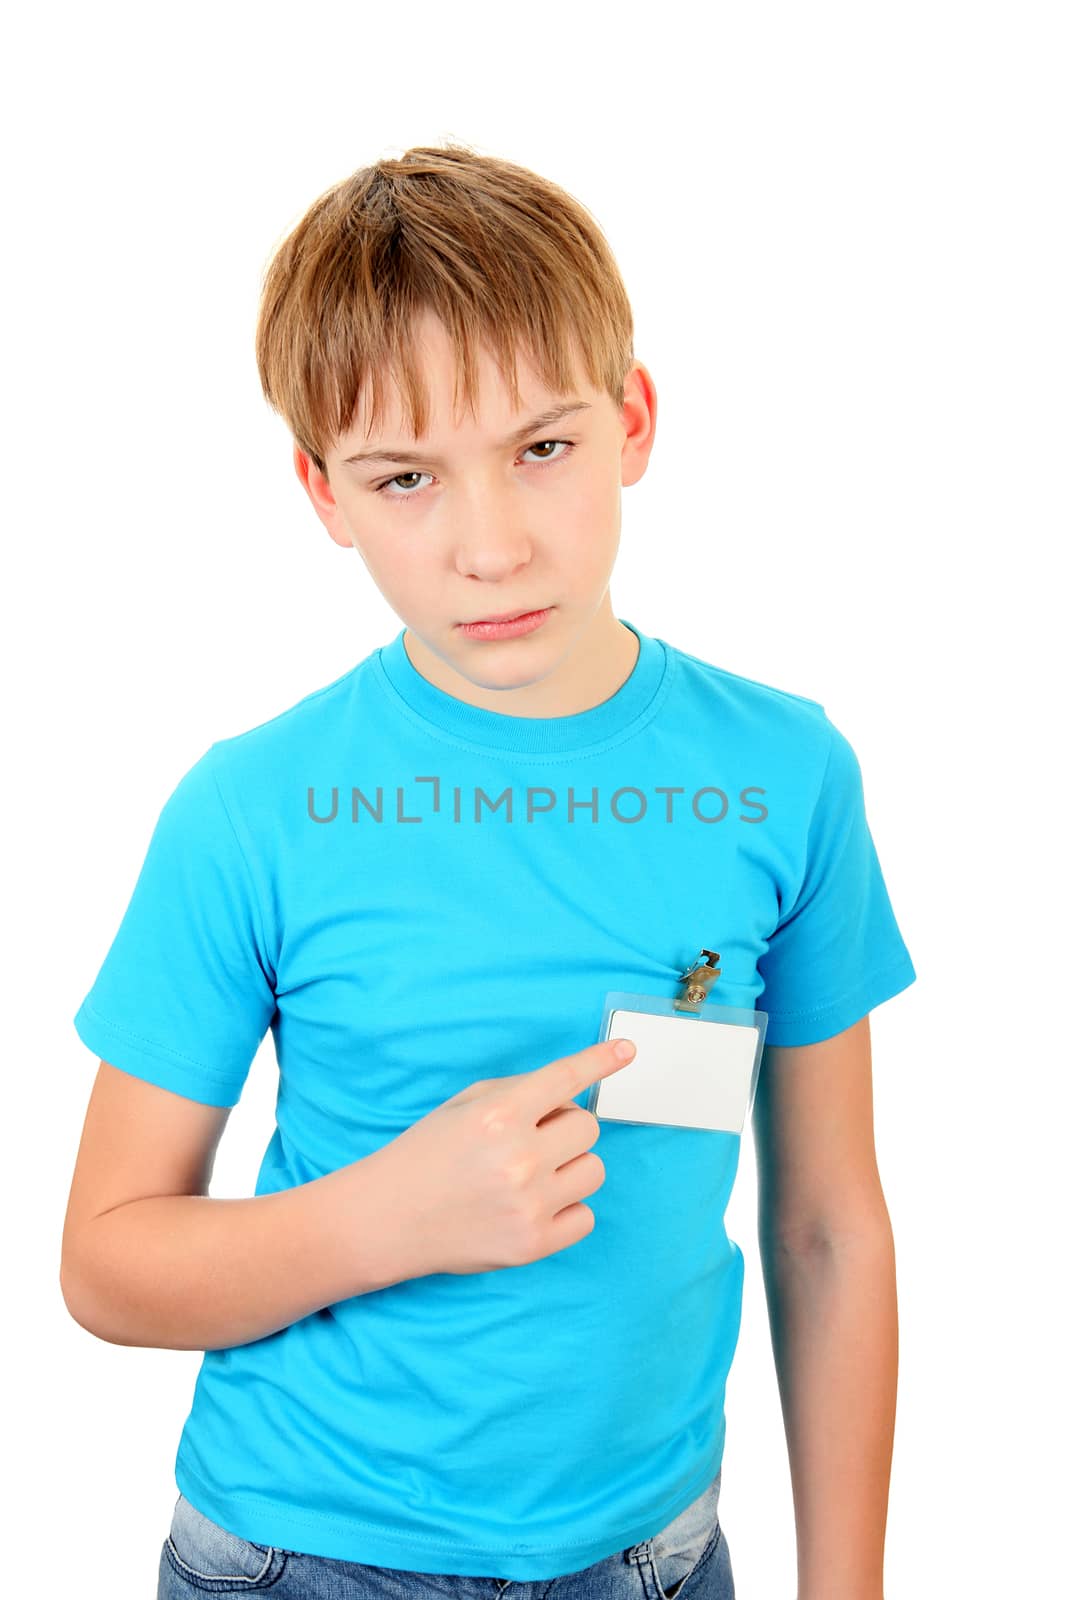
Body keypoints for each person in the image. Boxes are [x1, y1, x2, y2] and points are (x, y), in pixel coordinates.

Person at [61, 143, 916, 1600]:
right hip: (299, 1557)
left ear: (633, 419)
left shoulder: (788, 775)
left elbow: (828, 1222)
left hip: (653, 1558)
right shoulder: (252, 810)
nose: (490, 543)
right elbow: (109, 1261)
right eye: (406, 478)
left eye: (541, 447)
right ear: (323, 493)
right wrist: (392, 1217)